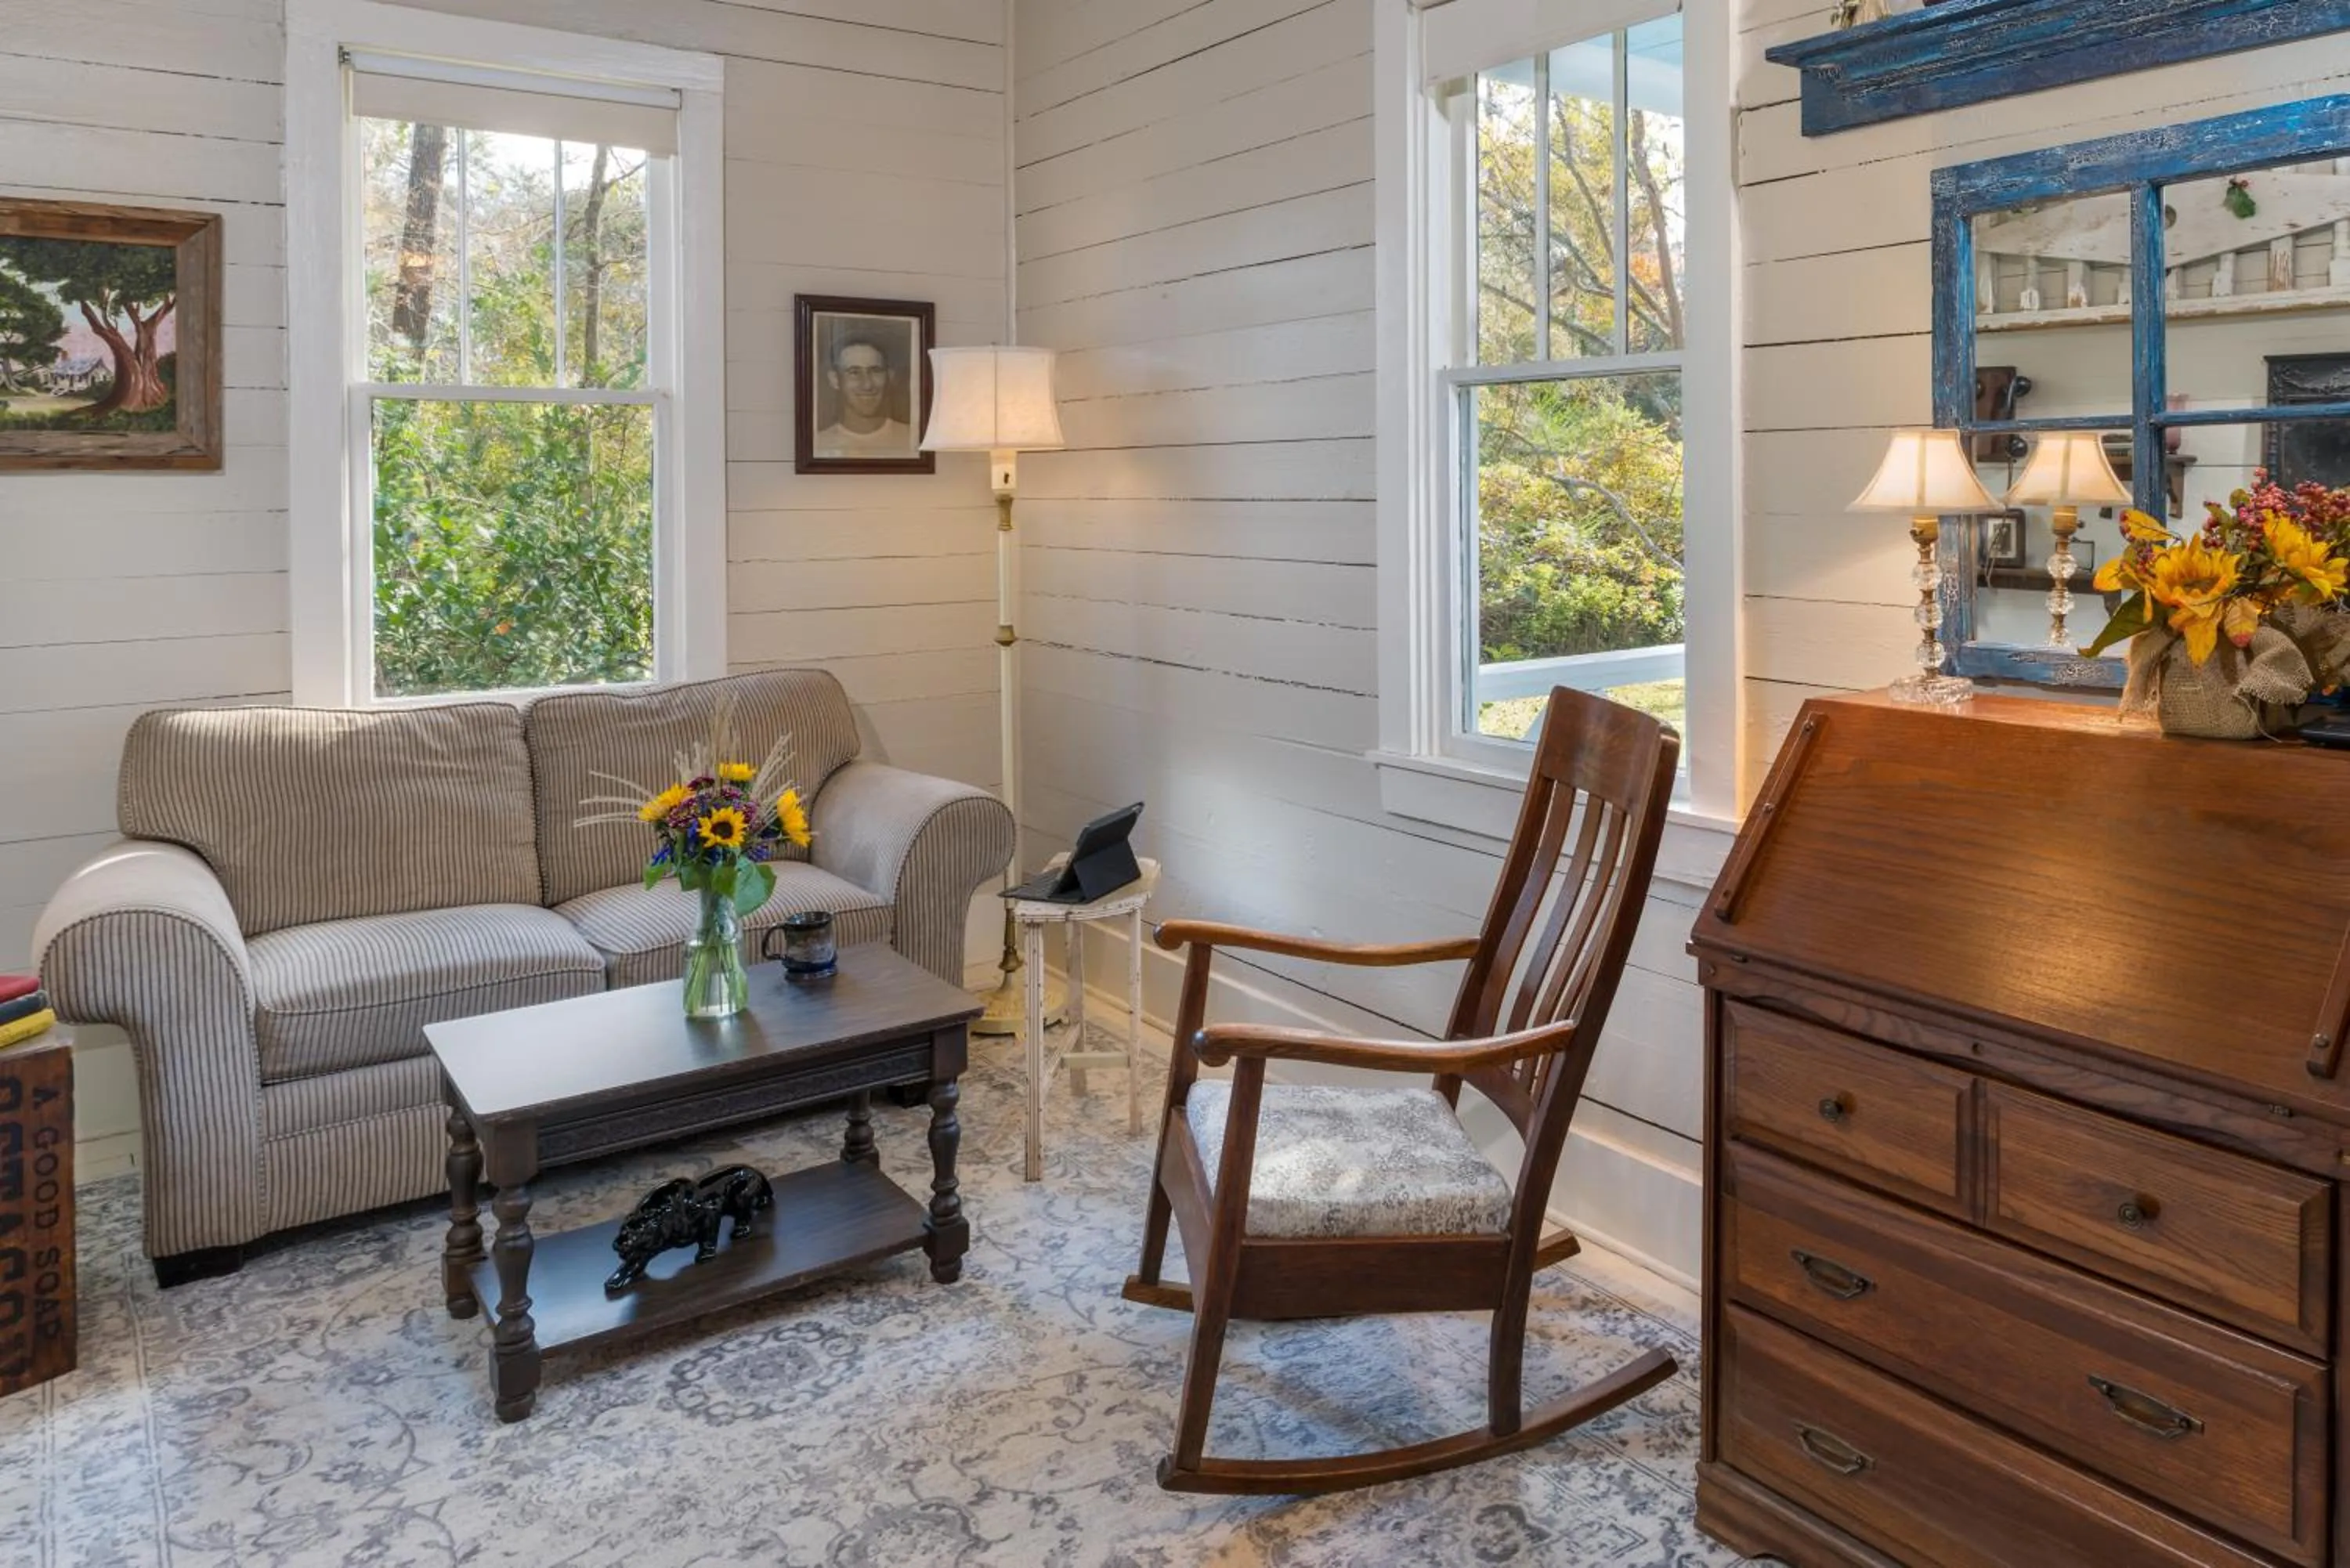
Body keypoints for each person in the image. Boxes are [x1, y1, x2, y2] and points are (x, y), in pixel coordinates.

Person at [814, 328, 913, 457]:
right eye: (854, 372)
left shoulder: (913, 438)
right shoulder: (819, 445)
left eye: (875, 371)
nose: (867, 384)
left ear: (890, 376)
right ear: (835, 380)